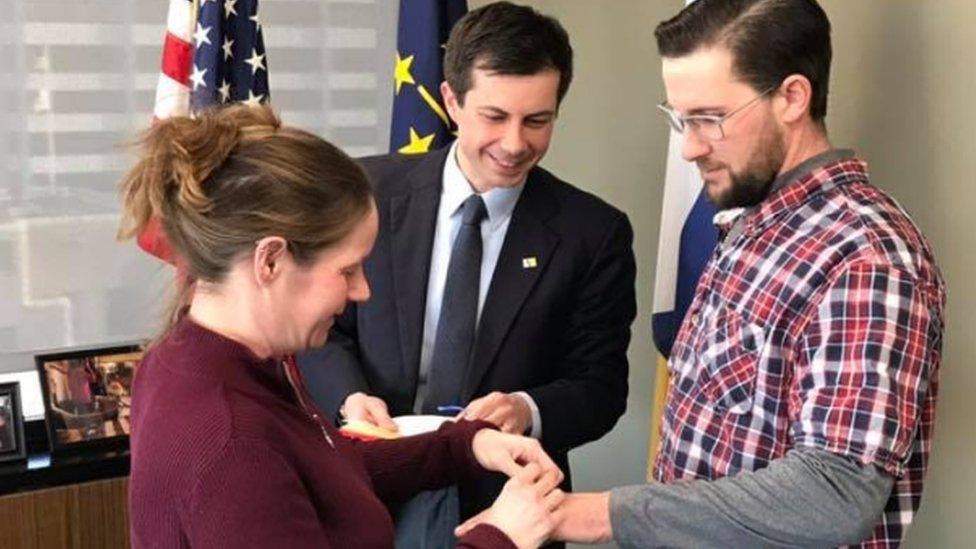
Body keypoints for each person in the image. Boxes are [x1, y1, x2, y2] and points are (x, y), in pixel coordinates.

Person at [527, 1, 947, 547]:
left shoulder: (866, 257)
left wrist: (605, 514)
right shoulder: (753, 220)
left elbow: (834, 494)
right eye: (679, 118)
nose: (689, 147)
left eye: (709, 118)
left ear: (792, 97)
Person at [120, 104, 567, 548]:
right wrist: (501, 537)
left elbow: (326, 470)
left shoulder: (197, 360)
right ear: (270, 260)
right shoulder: (232, 445)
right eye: (347, 270)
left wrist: (465, 447)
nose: (362, 292)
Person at [296, 2, 637, 547]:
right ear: (452, 102)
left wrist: (527, 409)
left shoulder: (593, 233)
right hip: (367, 483)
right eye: (495, 117)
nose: (515, 143)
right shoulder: (367, 194)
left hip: (506, 503)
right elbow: (316, 329)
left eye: (538, 120)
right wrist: (348, 400)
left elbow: (600, 388)